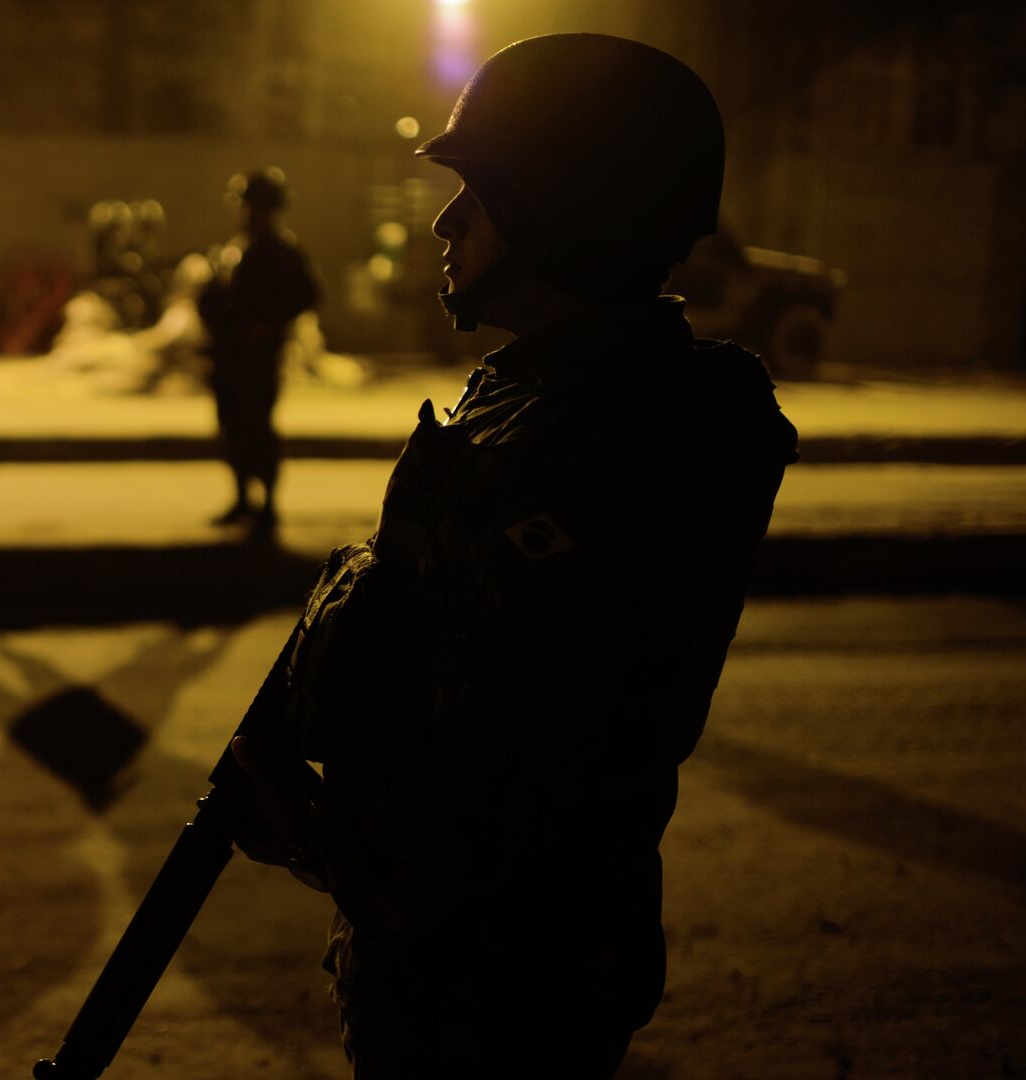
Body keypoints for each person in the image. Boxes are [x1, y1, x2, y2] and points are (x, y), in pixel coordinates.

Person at [223, 34, 799, 1076]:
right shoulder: (541, 395)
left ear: (564, 211)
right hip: (452, 964)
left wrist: (303, 832)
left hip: (499, 985)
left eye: (479, 194)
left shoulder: (609, 440)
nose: (446, 222)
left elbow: (508, 792)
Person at [196, 167, 319, 532]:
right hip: (229, 354)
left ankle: (266, 506)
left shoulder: (282, 250)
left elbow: (308, 294)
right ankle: (242, 500)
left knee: (258, 428)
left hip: (259, 358)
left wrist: (270, 324)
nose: (245, 212)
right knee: (232, 426)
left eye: (251, 204)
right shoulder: (235, 248)